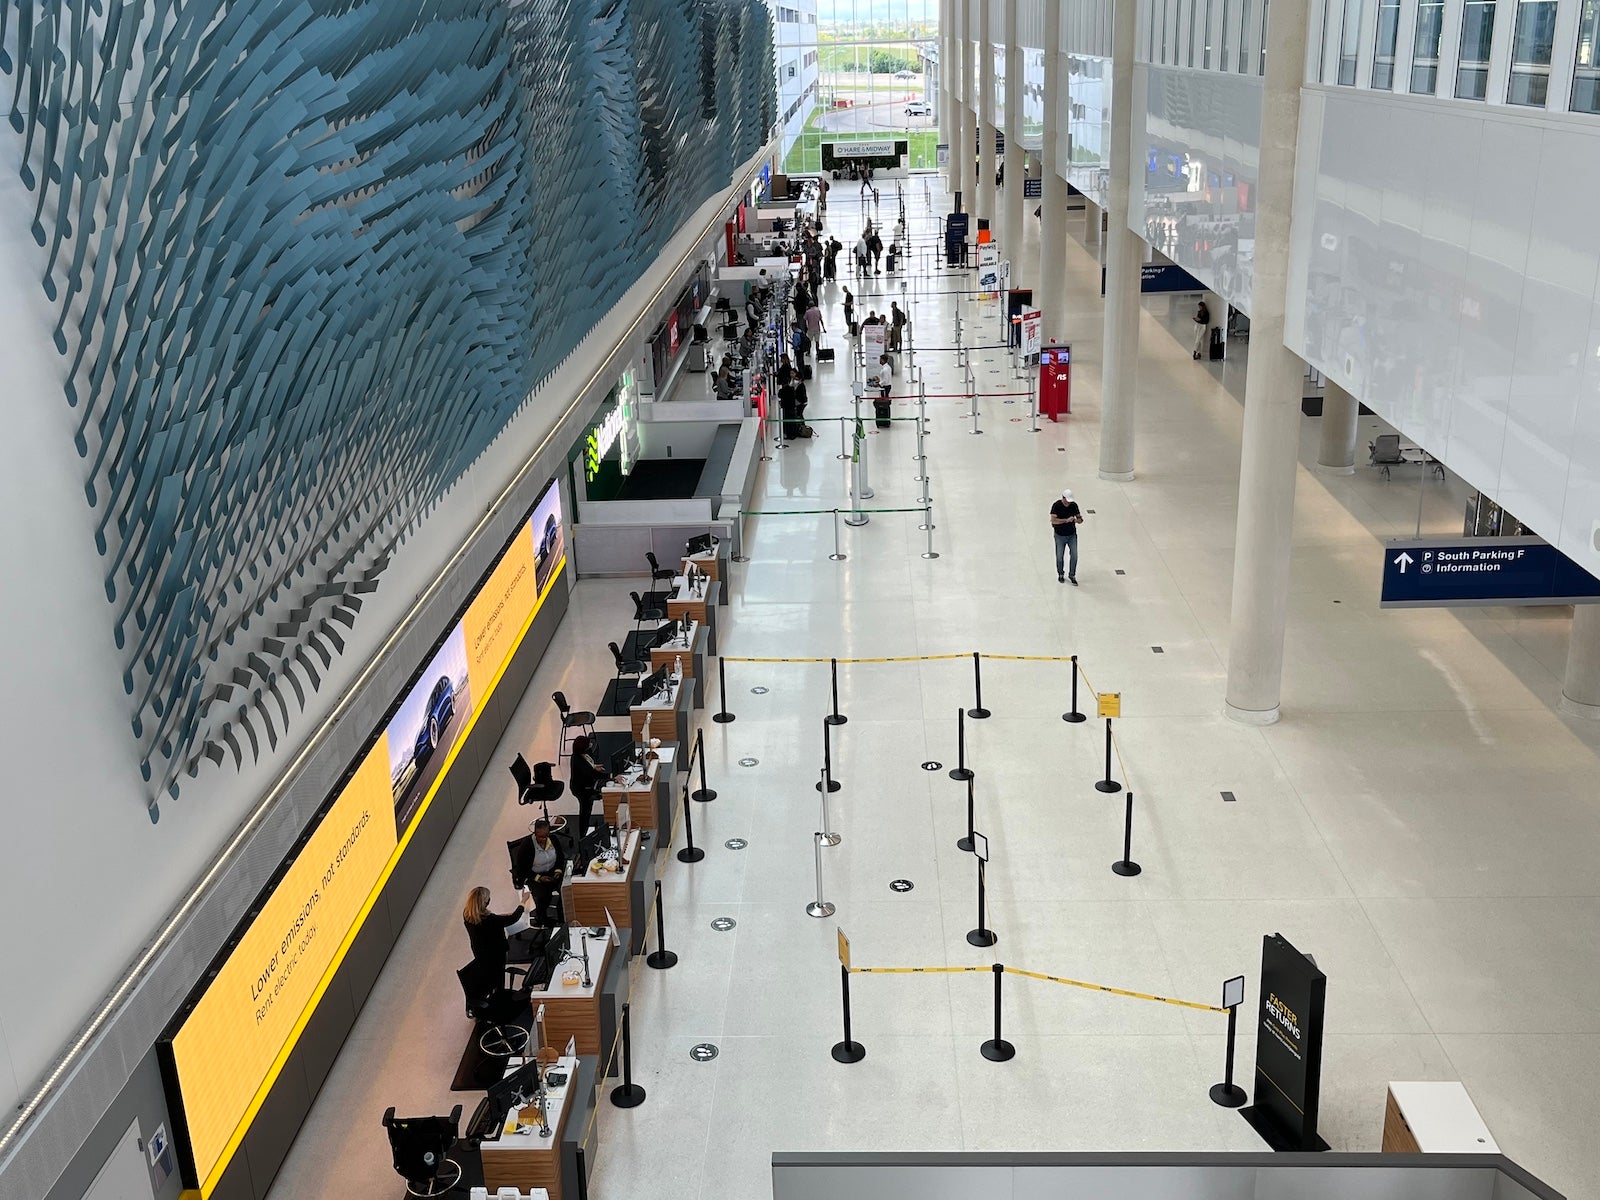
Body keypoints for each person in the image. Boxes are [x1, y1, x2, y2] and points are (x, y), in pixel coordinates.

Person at [463, 884, 530, 975]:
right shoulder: (490, 920)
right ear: (484, 902)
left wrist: (499, 918)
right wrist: (523, 900)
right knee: (498, 974)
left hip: (480, 952)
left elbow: (486, 923)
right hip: (496, 952)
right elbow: (514, 918)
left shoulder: (467, 914)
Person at [516, 819, 569, 923]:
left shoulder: (553, 839)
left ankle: (562, 918)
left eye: (546, 836)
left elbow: (560, 857)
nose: (543, 839)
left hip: (552, 872)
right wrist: (539, 878)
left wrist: (558, 871)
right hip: (534, 876)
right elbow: (522, 869)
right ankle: (541, 918)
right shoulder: (527, 845)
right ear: (535, 834)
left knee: (566, 890)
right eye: (540, 837)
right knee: (545, 896)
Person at [568, 735, 608, 835]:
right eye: (588, 744)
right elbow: (593, 774)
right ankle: (583, 835)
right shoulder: (578, 760)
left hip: (586, 783)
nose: (591, 745)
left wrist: (593, 766)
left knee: (587, 810)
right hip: (581, 789)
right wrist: (611, 776)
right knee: (585, 812)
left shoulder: (583, 754)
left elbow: (589, 767)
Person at [1050, 488, 1084, 584]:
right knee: (1059, 556)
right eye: (1067, 501)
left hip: (1071, 535)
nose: (1068, 503)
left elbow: (1080, 519)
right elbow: (1053, 520)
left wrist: (1078, 520)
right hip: (1059, 535)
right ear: (1063, 498)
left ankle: (1072, 575)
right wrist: (1065, 520)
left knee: (1074, 555)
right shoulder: (1056, 506)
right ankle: (1060, 574)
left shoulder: (1074, 505)